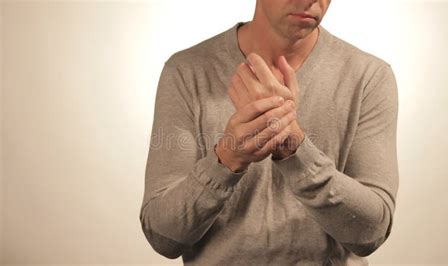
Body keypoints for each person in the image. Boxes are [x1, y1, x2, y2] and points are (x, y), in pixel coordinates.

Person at [139, 0, 399, 265]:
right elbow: (163, 237)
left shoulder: (369, 77)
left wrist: (294, 146)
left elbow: (371, 232)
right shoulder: (186, 71)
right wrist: (227, 158)